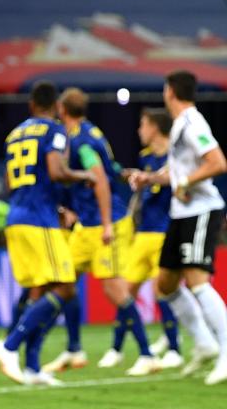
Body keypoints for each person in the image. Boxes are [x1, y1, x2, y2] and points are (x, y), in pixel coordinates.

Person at [44, 88, 158, 377]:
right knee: (65, 278)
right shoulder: (91, 132)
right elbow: (109, 168)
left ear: (61, 108)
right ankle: (73, 348)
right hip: (87, 223)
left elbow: (100, 181)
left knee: (114, 288)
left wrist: (107, 223)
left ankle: (147, 354)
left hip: (108, 223)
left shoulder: (81, 140)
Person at [0, 81, 95, 385]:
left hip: (17, 216)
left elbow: (11, 182)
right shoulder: (55, 131)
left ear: (32, 105)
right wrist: (84, 175)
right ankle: (9, 346)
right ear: (55, 107)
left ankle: (33, 367)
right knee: (65, 288)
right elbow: (56, 171)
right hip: (39, 220)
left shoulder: (15, 134)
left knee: (39, 291)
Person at [130, 70, 227, 385]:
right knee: (166, 284)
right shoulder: (180, 127)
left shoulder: (193, 123)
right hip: (181, 212)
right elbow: (178, 169)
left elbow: (217, 162)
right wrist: (152, 178)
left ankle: (225, 349)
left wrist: (184, 181)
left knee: (198, 281)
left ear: (169, 90)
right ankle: (204, 342)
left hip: (201, 210)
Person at [106, 108, 183, 369]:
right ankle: (116, 348)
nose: (139, 130)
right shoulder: (146, 157)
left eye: (143, 125)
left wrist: (149, 180)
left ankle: (174, 348)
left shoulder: (177, 156)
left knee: (163, 291)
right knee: (127, 292)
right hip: (143, 234)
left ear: (155, 127)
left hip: (165, 232)